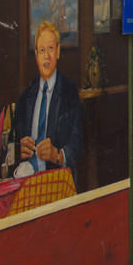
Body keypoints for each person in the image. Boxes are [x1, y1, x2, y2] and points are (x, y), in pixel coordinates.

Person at [15, 21, 84, 187]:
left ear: (58, 51)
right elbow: (13, 144)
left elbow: (78, 144)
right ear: (36, 55)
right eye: (41, 50)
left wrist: (57, 155)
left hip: (56, 182)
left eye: (51, 49)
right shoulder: (25, 97)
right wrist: (19, 148)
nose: (46, 56)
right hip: (27, 182)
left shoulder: (69, 90)